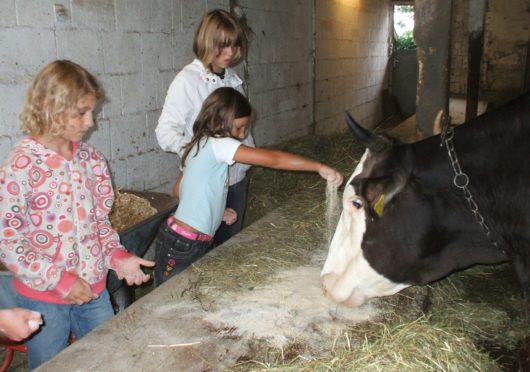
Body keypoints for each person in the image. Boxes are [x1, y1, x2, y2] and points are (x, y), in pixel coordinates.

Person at [0, 60, 154, 369]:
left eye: (91, 113)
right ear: (47, 107)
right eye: (80, 113)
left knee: (108, 356)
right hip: (43, 297)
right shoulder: (21, 166)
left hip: (94, 291)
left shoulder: (92, 160)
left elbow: (98, 224)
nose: (89, 123)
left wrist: (118, 257)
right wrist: (61, 280)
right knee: (51, 363)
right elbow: (9, 241)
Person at [154, 87, 344, 285]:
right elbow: (273, 159)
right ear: (220, 121)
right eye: (239, 128)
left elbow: (178, 190)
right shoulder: (221, 144)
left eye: (246, 128)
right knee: (168, 297)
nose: (243, 134)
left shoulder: (197, 143)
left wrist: (216, 212)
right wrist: (319, 167)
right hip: (185, 244)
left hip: (179, 237)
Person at [156, 9, 253, 246]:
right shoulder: (188, 81)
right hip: (205, 186)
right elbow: (165, 132)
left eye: (233, 45)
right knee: (202, 250)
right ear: (207, 42)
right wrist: (198, 153)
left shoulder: (232, 79)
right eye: (223, 45)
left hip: (236, 180)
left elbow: (241, 128)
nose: (230, 52)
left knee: (228, 248)